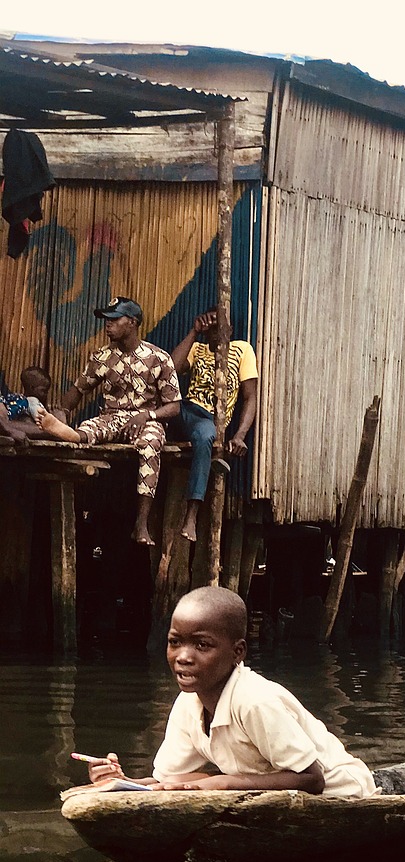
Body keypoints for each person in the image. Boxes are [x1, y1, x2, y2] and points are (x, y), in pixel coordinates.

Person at [83, 585, 376, 797]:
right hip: (274, 794)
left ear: (237, 652)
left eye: (202, 645)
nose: (183, 656)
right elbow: (169, 780)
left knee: (206, 781)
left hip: (343, 794)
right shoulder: (189, 702)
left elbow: (313, 779)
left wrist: (222, 783)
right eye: (175, 642)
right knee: (192, 780)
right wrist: (122, 782)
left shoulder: (253, 700)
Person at [38, 297, 181, 544]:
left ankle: (141, 523)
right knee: (89, 429)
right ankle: (71, 433)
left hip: (147, 419)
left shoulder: (158, 357)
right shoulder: (102, 357)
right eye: (107, 320)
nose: (108, 325)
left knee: (150, 445)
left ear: (132, 323)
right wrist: (62, 410)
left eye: (114, 320)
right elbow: (78, 390)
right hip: (112, 417)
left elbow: (174, 407)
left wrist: (148, 415)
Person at [169, 310, 259, 542]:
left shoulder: (242, 350)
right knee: (159, 411)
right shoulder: (197, 348)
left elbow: (250, 397)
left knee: (206, 436)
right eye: (211, 325)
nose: (216, 329)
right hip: (183, 410)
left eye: (222, 325)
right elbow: (172, 370)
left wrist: (239, 435)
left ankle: (191, 516)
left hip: (207, 420)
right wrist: (194, 331)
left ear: (230, 329)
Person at [0, 366, 50, 442]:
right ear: (32, 388)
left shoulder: (14, 398)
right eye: (44, 391)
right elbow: (44, 422)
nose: (46, 394)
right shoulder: (32, 401)